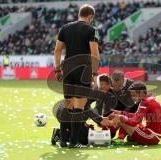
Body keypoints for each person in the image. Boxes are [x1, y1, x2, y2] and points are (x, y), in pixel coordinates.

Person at [53, 4, 109, 148]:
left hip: (67, 69)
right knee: (79, 106)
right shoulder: (92, 30)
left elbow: (57, 50)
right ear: (90, 16)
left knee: (68, 106)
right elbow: (94, 53)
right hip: (83, 70)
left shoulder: (65, 28)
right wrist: (95, 72)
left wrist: (57, 69)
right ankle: (73, 142)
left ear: (79, 14)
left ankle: (63, 141)